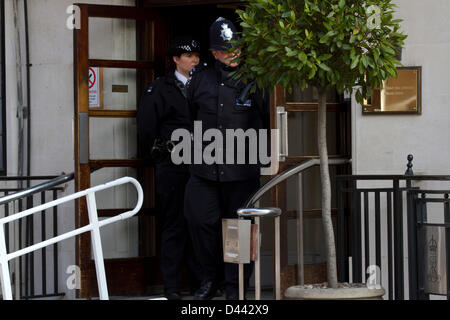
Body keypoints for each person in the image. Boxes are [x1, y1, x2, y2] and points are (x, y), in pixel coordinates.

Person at [184, 17, 270, 300]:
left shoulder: (256, 78)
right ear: (214, 52)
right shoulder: (201, 77)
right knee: (200, 222)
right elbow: (187, 118)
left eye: (235, 48)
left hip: (241, 171)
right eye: (224, 49)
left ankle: (236, 290)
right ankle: (210, 280)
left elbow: (270, 120)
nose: (231, 54)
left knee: (238, 231)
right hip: (204, 169)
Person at [136, 36, 203, 300]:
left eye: (197, 56)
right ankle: (173, 287)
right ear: (175, 59)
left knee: (200, 224)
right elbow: (146, 128)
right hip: (173, 164)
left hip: (202, 164)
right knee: (174, 225)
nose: (194, 61)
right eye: (188, 56)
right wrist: (157, 157)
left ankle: (202, 285)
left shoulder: (204, 83)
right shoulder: (160, 88)